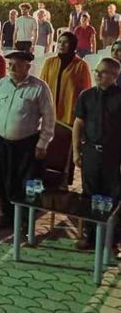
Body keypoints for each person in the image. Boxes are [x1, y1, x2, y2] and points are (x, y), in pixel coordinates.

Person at [0, 51, 55, 229]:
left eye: (17, 65)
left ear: (27, 67)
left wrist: (43, 143)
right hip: (2, 142)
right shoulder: (2, 83)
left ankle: (26, 220)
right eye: (10, 64)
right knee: (3, 180)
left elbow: (49, 118)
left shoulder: (39, 87)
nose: (12, 68)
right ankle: (7, 215)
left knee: (26, 184)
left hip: (26, 145)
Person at [72, 58, 121, 250]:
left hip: (114, 155)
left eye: (104, 72)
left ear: (115, 76)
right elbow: (78, 124)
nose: (98, 75)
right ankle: (90, 235)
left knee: (113, 197)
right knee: (89, 194)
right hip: (91, 152)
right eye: (97, 71)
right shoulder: (87, 95)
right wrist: (76, 151)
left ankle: (112, 240)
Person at [39, 32, 91, 125]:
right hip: (50, 113)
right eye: (59, 42)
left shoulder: (81, 65)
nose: (61, 45)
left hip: (70, 114)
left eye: (65, 42)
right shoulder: (49, 62)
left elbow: (86, 91)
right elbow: (42, 86)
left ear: (72, 45)